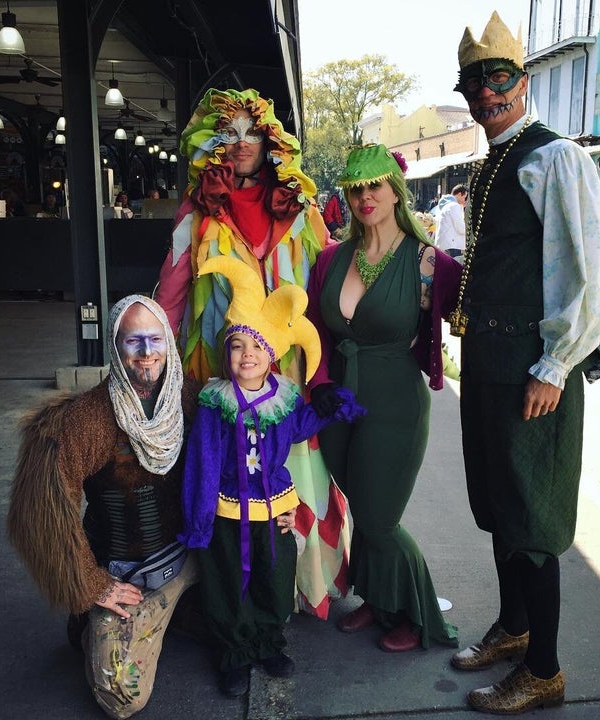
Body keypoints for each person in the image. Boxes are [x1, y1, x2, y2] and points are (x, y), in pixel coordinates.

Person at [447, 12, 600, 714]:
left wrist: (555, 364)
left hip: (530, 374)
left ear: (522, 80)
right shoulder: (490, 165)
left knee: (534, 519)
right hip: (488, 365)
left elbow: (588, 273)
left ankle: (543, 669)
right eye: (473, 85)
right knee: (500, 509)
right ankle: (514, 630)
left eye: (498, 80)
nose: (486, 96)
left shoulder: (557, 157)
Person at [155, 88, 350, 621]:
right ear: (212, 143)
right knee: (220, 478)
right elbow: (170, 293)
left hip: (286, 374)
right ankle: (226, 595)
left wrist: (324, 372)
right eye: (229, 133)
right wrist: (151, 362)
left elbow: (326, 288)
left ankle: (290, 588)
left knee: (289, 475)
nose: (241, 144)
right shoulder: (195, 212)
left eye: (252, 132)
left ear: (271, 141)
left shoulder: (301, 210)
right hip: (219, 376)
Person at [6, 295, 202, 719]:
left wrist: (279, 501)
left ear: (169, 342)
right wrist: (91, 584)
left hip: (187, 559)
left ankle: (182, 606)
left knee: (246, 619)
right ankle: (113, 619)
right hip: (121, 576)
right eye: (134, 341)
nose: (147, 354)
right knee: (122, 695)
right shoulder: (86, 419)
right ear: (116, 347)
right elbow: (43, 513)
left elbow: (246, 450)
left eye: (155, 340)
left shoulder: (192, 399)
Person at [179, 255, 365, 696]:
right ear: (227, 351)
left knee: (273, 575)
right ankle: (233, 652)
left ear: (272, 356)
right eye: (239, 346)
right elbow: (203, 460)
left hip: (275, 507)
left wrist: (328, 406)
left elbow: (298, 429)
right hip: (225, 510)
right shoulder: (214, 400)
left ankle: (267, 642)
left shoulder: (283, 398)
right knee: (227, 580)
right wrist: (199, 518)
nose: (247, 356)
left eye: (257, 348)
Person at [306, 144, 462, 653]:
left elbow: (482, 310)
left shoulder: (428, 264)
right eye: (355, 188)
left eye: (374, 185)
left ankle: (418, 616)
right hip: (337, 405)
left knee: (378, 518)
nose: (364, 196)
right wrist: (321, 382)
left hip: (395, 404)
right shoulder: (331, 257)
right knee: (356, 506)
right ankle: (377, 599)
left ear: (395, 191)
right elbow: (314, 330)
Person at [434, 184, 468, 259]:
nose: (465, 201)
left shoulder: (442, 205)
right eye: (464, 197)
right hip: (452, 245)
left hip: (442, 244)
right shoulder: (454, 206)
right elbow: (460, 228)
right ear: (459, 194)